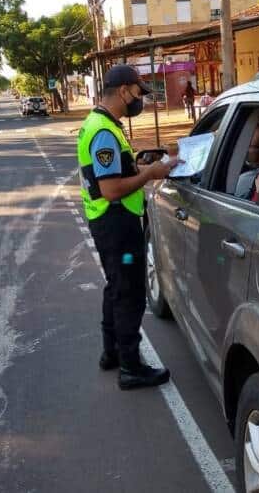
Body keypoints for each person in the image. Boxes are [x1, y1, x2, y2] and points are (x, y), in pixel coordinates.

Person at [77, 64, 180, 390]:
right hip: (116, 221)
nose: (140, 100)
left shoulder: (101, 123)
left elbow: (117, 170)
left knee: (115, 287)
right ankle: (131, 367)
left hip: (108, 220)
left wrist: (144, 165)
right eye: (138, 92)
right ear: (123, 90)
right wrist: (149, 175)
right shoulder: (104, 131)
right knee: (129, 294)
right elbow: (111, 189)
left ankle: (112, 353)